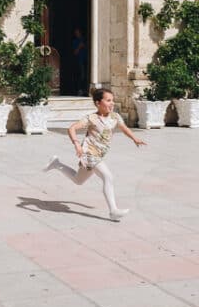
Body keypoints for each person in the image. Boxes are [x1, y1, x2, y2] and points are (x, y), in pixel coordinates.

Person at [44, 88, 146, 221]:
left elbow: (124, 128)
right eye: (108, 100)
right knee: (108, 176)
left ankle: (57, 164)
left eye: (112, 100)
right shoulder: (91, 118)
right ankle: (113, 210)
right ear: (98, 103)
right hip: (89, 153)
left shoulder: (115, 117)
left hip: (99, 154)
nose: (112, 103)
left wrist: (135, 138)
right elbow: (72, 128)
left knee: (78, 180)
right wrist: (76, 144)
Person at [71, 28, 87, 95]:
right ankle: (80, 90)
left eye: (78, 32)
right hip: (79, 61)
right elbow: (75, 53)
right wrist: (79, 47)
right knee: (81, 75)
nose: (77, 34)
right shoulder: (75, 41)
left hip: (86, 60)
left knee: (86, 75)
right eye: (75, 33)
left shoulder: (85, 40)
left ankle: (85, 90)